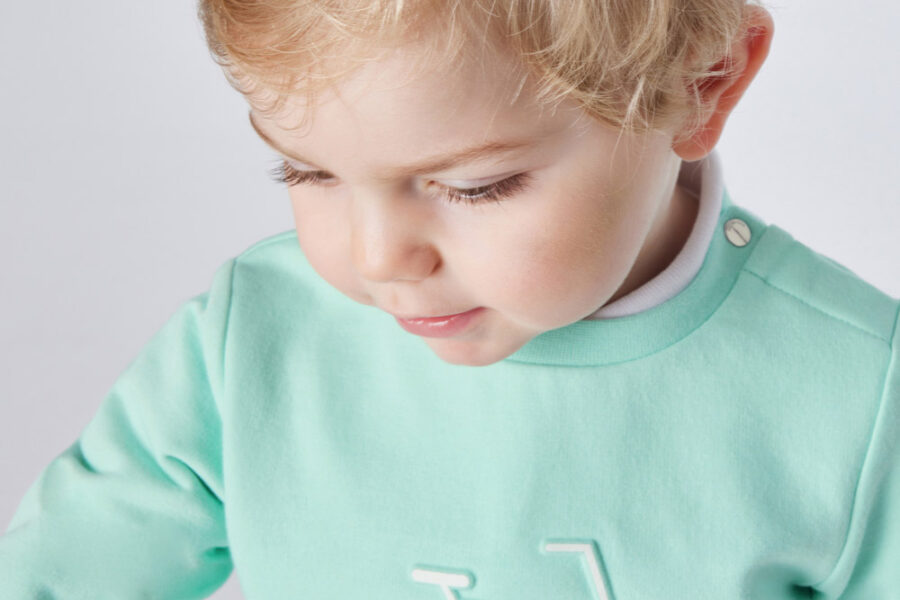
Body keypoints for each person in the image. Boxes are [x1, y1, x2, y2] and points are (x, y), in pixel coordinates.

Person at [1, 0, 898, 598]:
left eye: (476, 186)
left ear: (703, 83)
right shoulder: (248, 345)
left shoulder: (860, 392)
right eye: (306, 171)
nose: (378, 258)